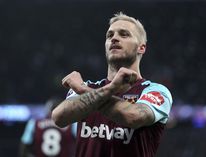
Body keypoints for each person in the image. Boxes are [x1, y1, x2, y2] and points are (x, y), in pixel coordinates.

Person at [52, 12, 173, 157]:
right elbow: (59, 117)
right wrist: (111, 88)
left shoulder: (155, 91)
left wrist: (83, 89)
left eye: (124, 34)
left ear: (141, 47)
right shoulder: (91, 85)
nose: (114, 38)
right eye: (109, 36)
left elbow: (133, 117)